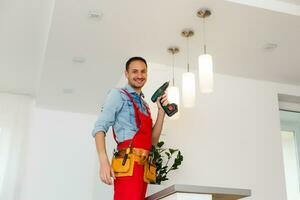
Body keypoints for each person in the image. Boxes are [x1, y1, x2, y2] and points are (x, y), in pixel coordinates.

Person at [92, 57, 168, 200]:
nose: (139, 76)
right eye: (135, 72)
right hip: (128, 165)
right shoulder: (117, 95)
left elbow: (152, 141)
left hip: (144, 168)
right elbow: (99, 128)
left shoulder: (145, 105)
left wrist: (161, 112)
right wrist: (103, 161)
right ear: (126, 73)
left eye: (143, 72)